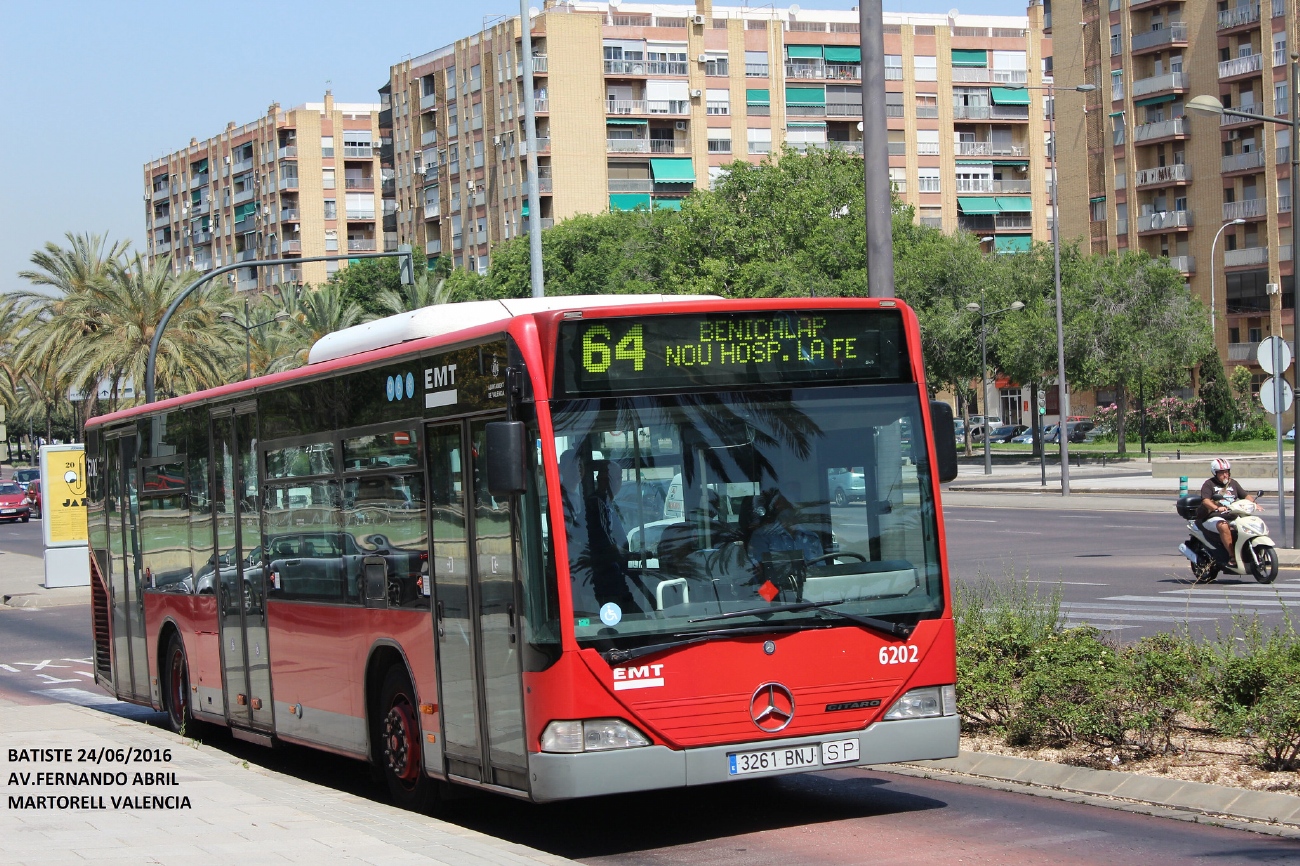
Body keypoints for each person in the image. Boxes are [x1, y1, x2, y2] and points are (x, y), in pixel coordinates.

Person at [1196, 458, 1260, 568]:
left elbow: (1245, 495)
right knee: (1224, 526)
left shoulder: (1233, 483)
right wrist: (1216, 507)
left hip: (1232, 514)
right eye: (1221, 473)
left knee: (1248, 524)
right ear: (1215, 473)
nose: (1225, 475)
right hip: (1213, 517)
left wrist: (1255, 504)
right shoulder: (1209, 484)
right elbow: (1205, 500)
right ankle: (1232, 557)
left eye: (1227, 472)